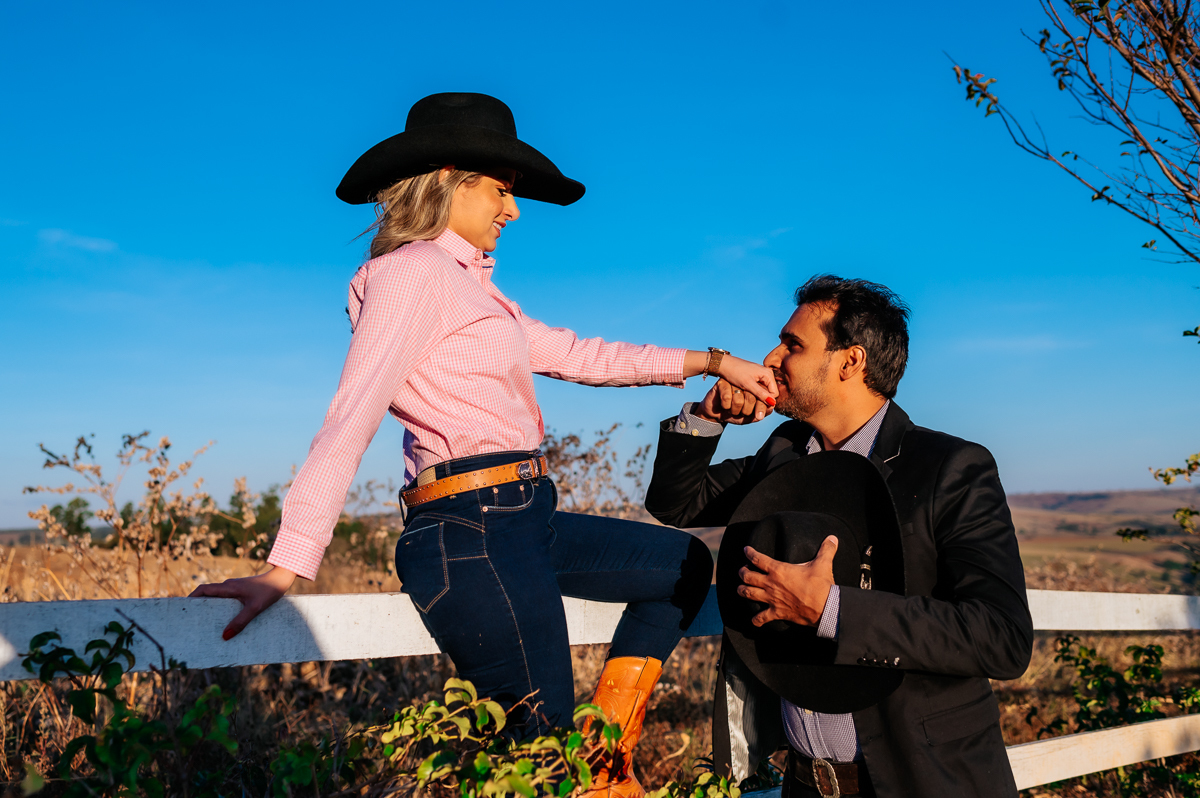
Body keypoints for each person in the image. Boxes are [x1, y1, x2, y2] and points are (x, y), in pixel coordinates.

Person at [190, 92, 778, 796]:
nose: (513, 210)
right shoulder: (412, 274)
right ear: (449, 176)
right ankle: (585, 773)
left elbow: (582, 355)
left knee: (682, 565)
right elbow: (352, 414)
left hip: (523, 516)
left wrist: (715, 361)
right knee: (537, 755)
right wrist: (286, 564)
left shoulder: (478, 293)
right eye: (501, 190)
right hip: (471, 526)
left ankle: (605, 755)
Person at [644, 275, 1034, 798]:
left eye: (793, 344)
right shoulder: (781, 457)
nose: (771, 356)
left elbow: (1001, 638)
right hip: (801, 783)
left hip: (915, 781)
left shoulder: (948, 468)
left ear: (851, 362)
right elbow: (677, 503)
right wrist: (708, 419)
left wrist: (832, 609)